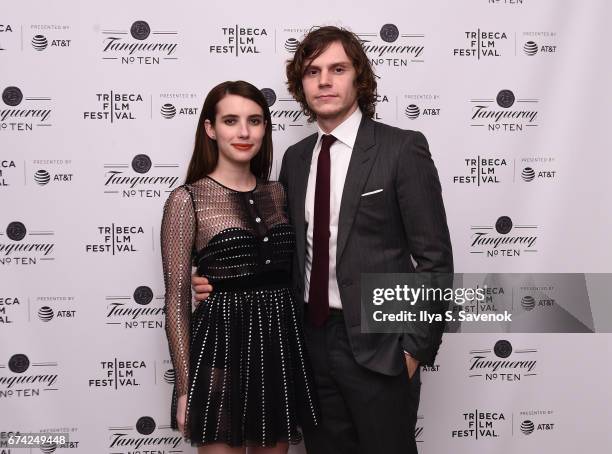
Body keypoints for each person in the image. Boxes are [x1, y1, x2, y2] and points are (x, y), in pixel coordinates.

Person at [193, 26, 453, 454]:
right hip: (309, 342)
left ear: (359, 78)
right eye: (313, 72)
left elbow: (435, 261)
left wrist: (413, 351)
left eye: (338, 69)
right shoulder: (295, 160)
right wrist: (209, 280)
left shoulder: (401, 149)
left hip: (381, 343)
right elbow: (276, 251)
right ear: (301, 85)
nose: (325, 81)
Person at [161, 80, 319, 454]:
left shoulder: (280, 193)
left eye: (255, 121)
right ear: (210, 129)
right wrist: (185, 389)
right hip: (220, 351)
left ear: (266, 127)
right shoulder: (188, 200)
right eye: (231, 121)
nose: (244, 132)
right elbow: (176, 302)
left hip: (278, 349)